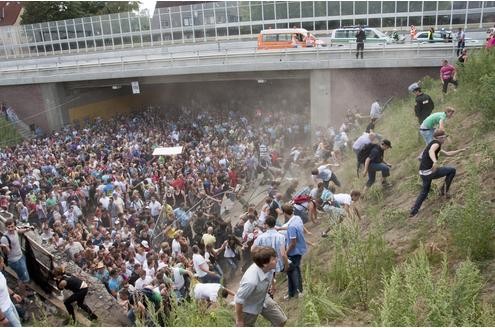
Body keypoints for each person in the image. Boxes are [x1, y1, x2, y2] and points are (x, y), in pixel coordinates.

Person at [410, 130, 467, 217]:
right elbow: (431, 152)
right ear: (436, 138)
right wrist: (435, 162)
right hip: (430, 172)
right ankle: (443, 191)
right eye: (442, 138)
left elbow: (448, 154)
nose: (443, 139)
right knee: (452, 170)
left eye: (445, 137)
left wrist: (460, 150)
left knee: (424, 191)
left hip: (423, 173)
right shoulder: (436, 144)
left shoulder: (435, 145)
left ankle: (414, 211)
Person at [234, 246, 287, 327]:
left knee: (280, 321)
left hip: (263, 298)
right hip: (248, 307)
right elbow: (238, 300)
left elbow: (270, 273)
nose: (276, 260)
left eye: (275, 257)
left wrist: (273, 285)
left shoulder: (269, 267)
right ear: (264, 264)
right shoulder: (251, 281)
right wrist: (239, 320)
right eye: (273, 259)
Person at [282, 204, 306, 299]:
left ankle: (299, 291)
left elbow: (293, 243)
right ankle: (291, 293)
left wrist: (286, 252)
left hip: (294, 251)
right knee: (290, 271)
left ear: (284, 213)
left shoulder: (291, 226)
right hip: (300, 248)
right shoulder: (297, 218)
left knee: (294, 270)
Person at [0, 219, 31, 293]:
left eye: (12, 227)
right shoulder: (4, 238)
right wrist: (5, 247)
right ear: (6, 227)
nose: (10, 229)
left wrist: (27, 229)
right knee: (23, 278)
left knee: (21, 276)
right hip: (15, 261)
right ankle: (23, 295)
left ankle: (23, 289)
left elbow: (19, 231)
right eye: (8, 227)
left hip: (20, 256)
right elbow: (7, 253)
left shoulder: (15, 231)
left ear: (14, 226)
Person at [0, 256, 22, 327]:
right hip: (4, 310)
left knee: (18, 322)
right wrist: (2, 318)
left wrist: (13, 294)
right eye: (2, 262)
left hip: (9, 303)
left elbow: (3, 286)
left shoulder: (0, 273)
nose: (3, 264)